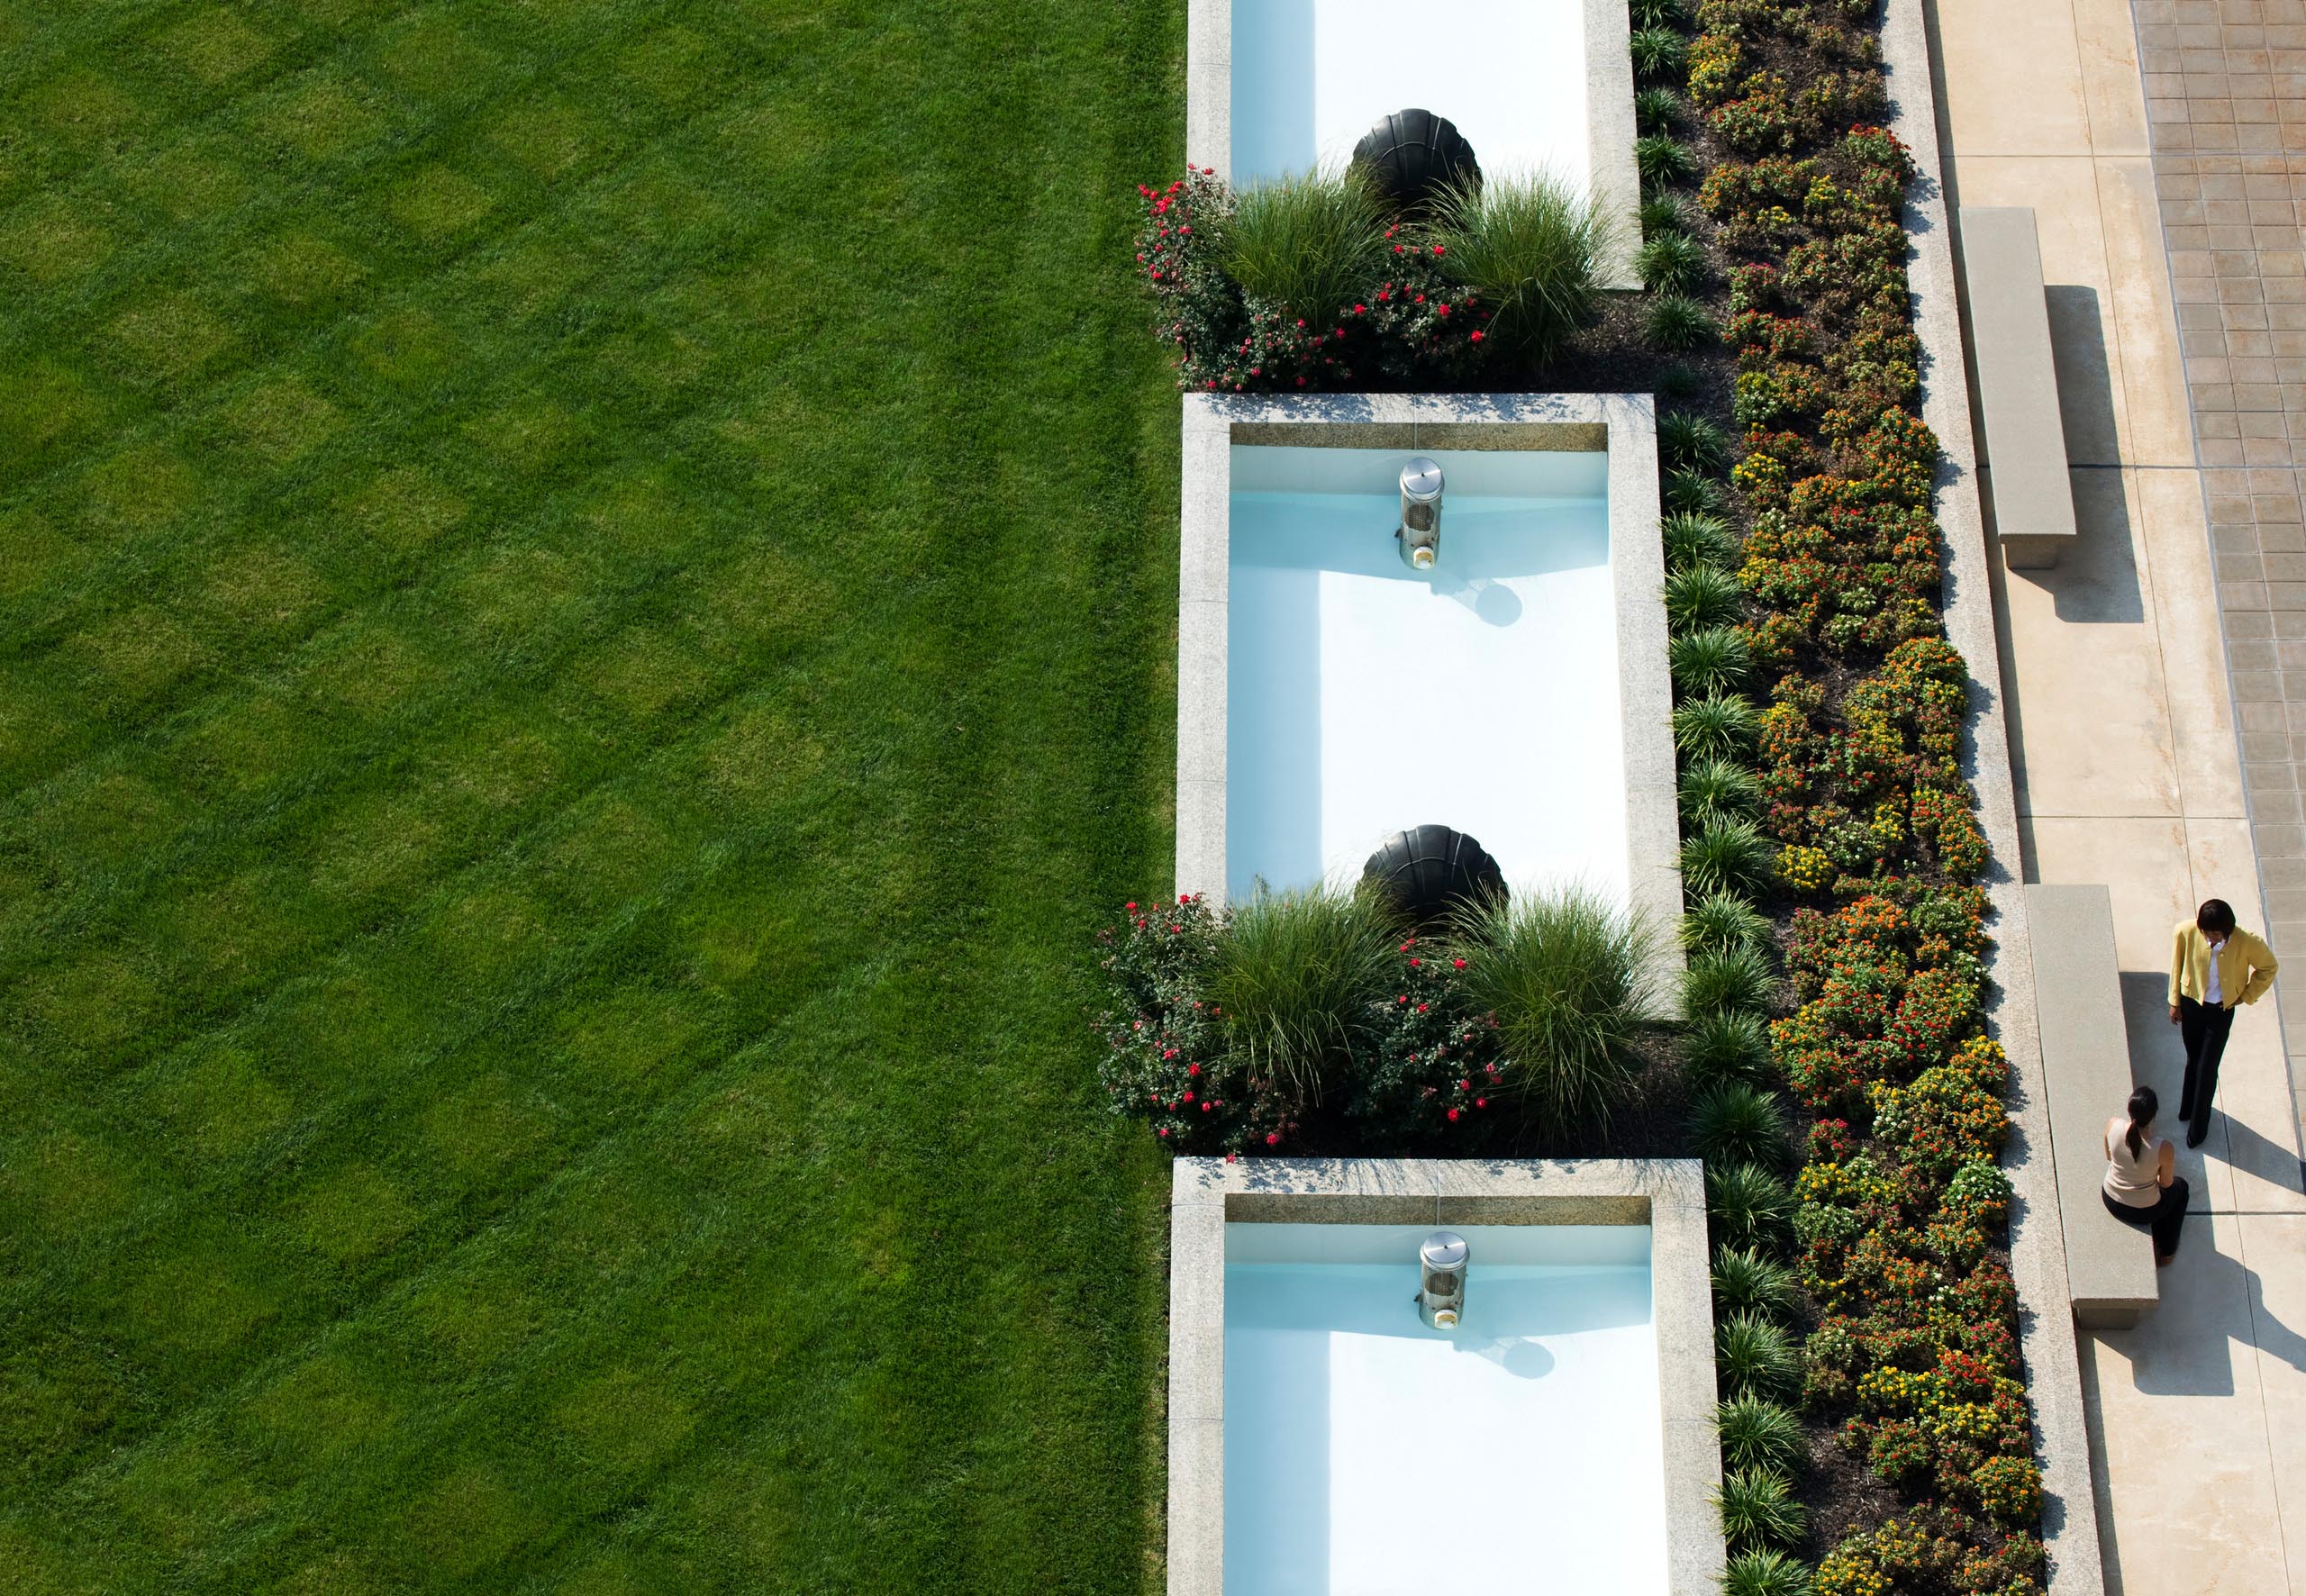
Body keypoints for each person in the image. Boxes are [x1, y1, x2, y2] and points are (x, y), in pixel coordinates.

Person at [2167, 897, 2279, 1148]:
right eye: (2206, 933)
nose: (2210, 939)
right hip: (2192, 1007)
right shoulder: (2185, 932)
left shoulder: (2247, 942)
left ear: (2227, 929)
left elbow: (2269, 968)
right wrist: (2174, 1001)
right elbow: (2177, 966)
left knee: (2208, 1069)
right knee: (2193, 1061)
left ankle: (2198, 1130)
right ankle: (2187, 1110)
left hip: (2220, 1012)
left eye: (2215, 934)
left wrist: (2247, 995)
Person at [2104, 1085, 2188, 1264]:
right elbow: (2166, 1184)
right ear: (2154, 1115)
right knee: (2181, 1188)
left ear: (2129, 1109)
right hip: (2142, 1213)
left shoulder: (2113, 1125)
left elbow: (2108, 1156)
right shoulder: (2163, 1148)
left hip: (2110, 1198)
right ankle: (2167, 1252)